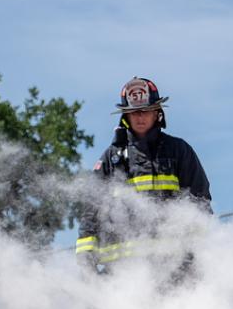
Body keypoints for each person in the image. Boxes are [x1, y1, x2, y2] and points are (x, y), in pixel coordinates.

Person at [77, 77, 212, 276]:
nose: (140, 117)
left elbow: (200, 202)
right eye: (134, 112)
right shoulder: (111, 159)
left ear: (157, 112)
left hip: (175, 270)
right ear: (125, 115)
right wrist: (85, 257)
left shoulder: (179, 151)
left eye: (145, 111)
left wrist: (202, 253)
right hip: (123, 275)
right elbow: (91, 210)